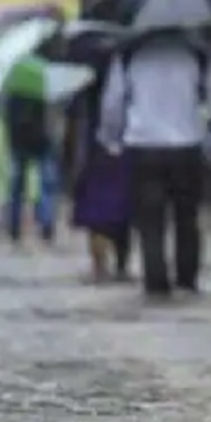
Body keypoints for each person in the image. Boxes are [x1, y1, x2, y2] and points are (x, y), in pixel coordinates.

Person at [99, 33, 211, 299]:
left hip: (144, 145)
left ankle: (156, 281)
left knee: (150, 219)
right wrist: (201, 117)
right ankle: (186, 279)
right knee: (187, 217)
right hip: (187, 145)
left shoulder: (128, 55)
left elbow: (112, 104)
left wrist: (111, 139)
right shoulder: (198, 53)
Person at [72, 70, 132, 283]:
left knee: (96, 215)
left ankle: (100, 267)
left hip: (96, 150)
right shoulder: (127, 67)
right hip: (125, 146)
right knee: (122, 210)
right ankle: (121, 266)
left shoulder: (82, 78)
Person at [2, 87, 60, 244]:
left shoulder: (14, 88)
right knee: (46, 184)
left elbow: (6, 115)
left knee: (17, 185)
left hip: (19, 140)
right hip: (42, 141)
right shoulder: (46, 86)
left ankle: (14, 225)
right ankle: (46, 223)